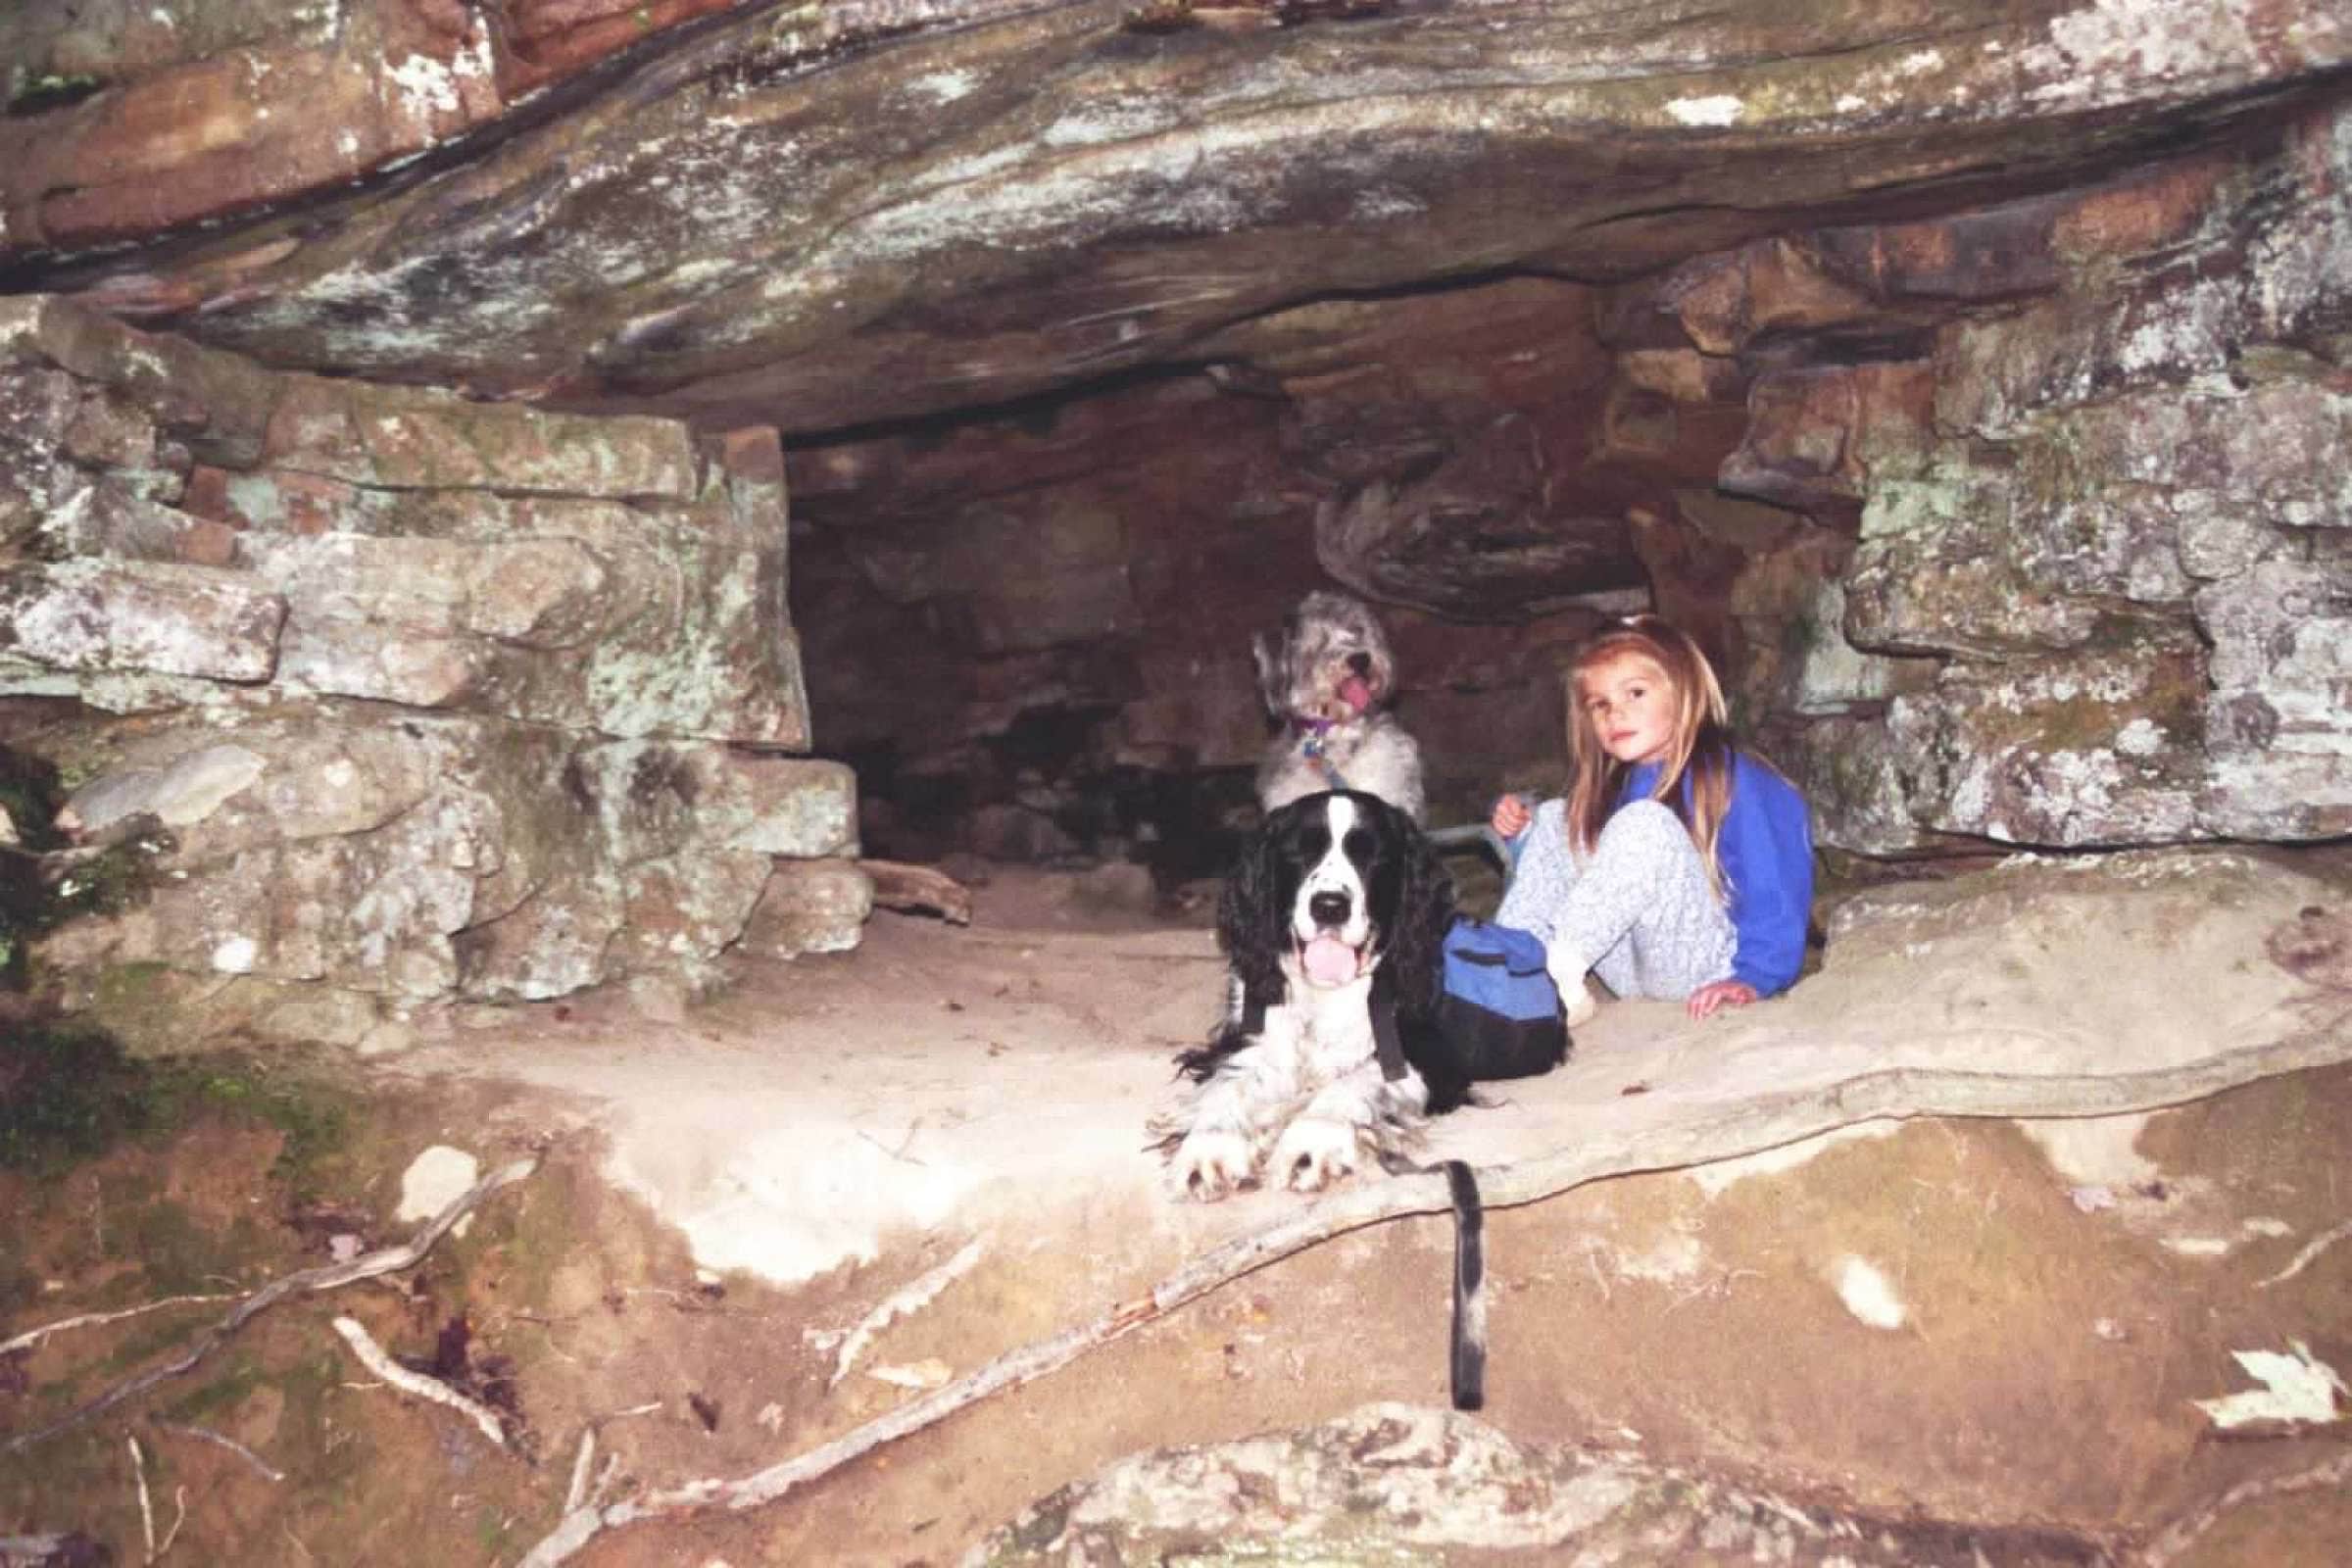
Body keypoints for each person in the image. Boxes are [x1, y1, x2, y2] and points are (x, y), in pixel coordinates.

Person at [1489, 614, 1813, 1024]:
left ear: (1684, 692)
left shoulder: (1730, 775)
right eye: (1600, 705)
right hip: (1628, 966)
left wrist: (1756, 976)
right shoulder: (1615, 785)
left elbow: (1774, 883)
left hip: (1703, 964)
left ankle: (1556, 972)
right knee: (1555, 817)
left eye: (1635, 693)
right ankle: (1506, 968)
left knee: (1645, 822)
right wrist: (1523, 833)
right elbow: (1583, 881)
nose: (1615, 714)